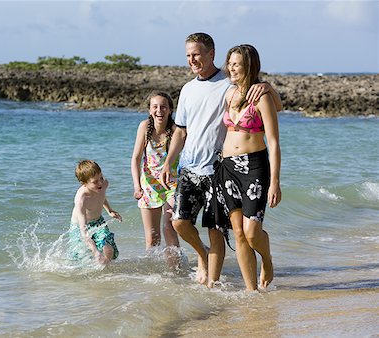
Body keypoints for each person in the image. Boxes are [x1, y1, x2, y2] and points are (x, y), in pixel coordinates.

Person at [160, 33, 282, 288]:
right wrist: (168, 162)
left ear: (211, 54)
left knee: (238, 232)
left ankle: (251, 269)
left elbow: (270, 111)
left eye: (197, 54)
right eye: (188, 56)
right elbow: (180, 130)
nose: (192, 60)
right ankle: (227, 275)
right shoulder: (201, 90)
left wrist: (268, 86)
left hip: (235, 167)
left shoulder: (234, 86)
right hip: (208, 168)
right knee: (191, 224)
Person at [205, 44, 281, 291]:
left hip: (254, 168)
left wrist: (275, 182)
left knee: (251, 231)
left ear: (249, 66)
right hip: (227, 169)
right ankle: (251, 291)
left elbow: (273, 142)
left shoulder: (262, 97)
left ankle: (267, 260)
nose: (231, 68)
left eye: (236, 63)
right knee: (238, 232)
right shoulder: (229, 94)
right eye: (230, 63)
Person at [131, 91, 180, 263]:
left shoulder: (175, 130)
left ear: (170, 110)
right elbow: (136, 158)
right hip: (148, 185)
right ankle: (153, 278)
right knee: (152, 239)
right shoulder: (144, 127)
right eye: (155, 107)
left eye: (163, 107)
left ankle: (175, 270)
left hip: (171, 185)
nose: (159, 110)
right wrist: (137, 186)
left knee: (169, 227)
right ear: (150, 110)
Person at [69, 159, 122, 266]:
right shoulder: (81, 198)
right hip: (80, 226)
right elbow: (83, 231)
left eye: (101, 178)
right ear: (84, 183)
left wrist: (109, 210)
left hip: (98, 222)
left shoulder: (103, 184)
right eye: (95, 181)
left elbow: (101, 197)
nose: (100, 183)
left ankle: (105, 271)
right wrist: (95, 251)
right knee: (82, 256)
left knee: (109, 249)